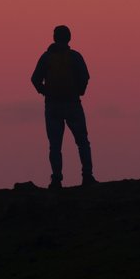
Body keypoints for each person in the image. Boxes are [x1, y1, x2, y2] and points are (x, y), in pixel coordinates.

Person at [31, 24, 95, 187]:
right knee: (82, 142)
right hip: (72, 103)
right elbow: (85, 76)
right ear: (69, 38)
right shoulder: (75, 56)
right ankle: (87, 176)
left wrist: (45, 91)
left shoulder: (46, 57)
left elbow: (34, 79)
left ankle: (56, 179)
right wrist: (80, 91)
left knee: (55, 145)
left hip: (53, 106)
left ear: (54, 38)